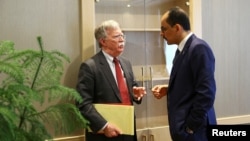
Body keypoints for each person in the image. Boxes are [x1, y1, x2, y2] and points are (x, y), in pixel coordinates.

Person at [151, 7, 217, 141]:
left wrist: (190, 127)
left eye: (164, 29)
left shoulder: (198, 48)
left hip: (196, 132)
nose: (161, 34)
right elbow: (191, 83)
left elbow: (206, 93)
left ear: (176, 28)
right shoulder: (181, 50)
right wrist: (169, 89)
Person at [76, 20, 146, 141]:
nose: (122, 40)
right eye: (116, 36)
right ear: (103, 41)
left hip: (128, 131)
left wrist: (135, 93)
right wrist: (104, 126)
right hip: (104, 134)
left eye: (122, 36)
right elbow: (82, 104)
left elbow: (131, 88)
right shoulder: (90, 67)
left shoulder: (126, 63)